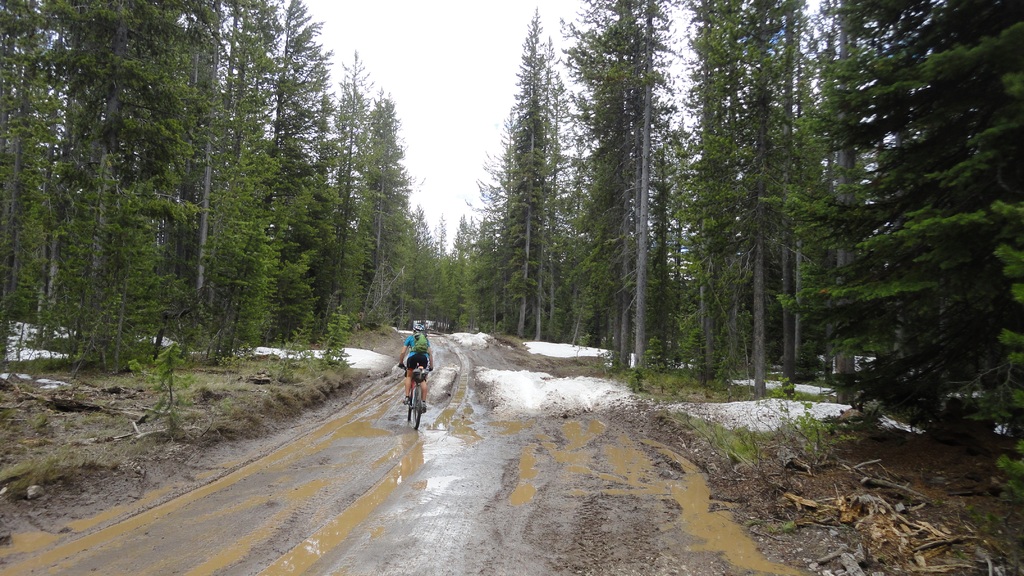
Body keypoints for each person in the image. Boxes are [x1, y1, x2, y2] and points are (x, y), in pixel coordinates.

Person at [398, 322, 433, 407]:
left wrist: (401, 362)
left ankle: (407, 397)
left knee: (409, 376)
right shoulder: (425, 339)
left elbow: (403, 352)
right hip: (423, 359)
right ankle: (423, 402)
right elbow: (430, 354)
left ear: (414, 331)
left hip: (413, 358)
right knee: (422, 379)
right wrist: (431, 366)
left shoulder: (410, 338)